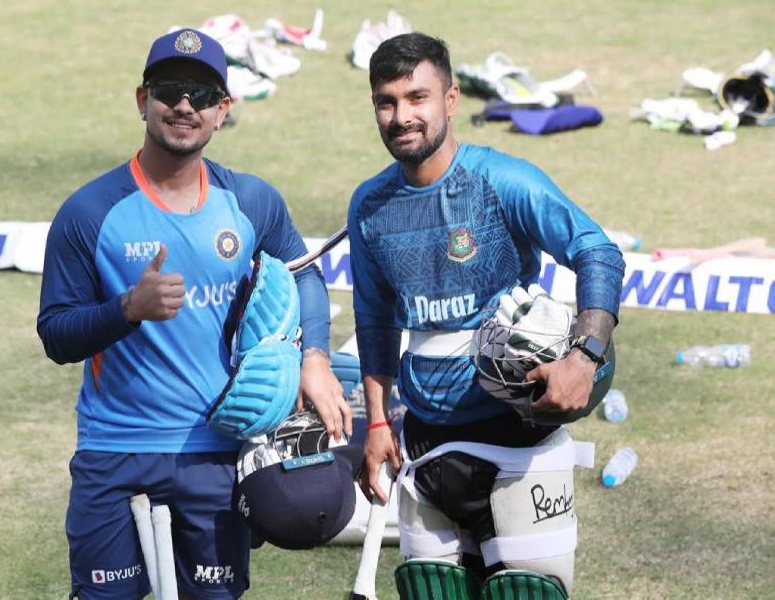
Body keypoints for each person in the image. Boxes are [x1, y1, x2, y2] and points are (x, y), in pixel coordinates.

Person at [37, 28, 351, 600]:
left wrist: (315, 358)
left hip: (216, 455)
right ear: (142, 100)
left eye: (203, 95)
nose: (185, 105)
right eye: (171, 90)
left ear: (223, 111)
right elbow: (56, 334)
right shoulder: (88, 212)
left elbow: (303, 271)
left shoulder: (251, 201)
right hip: (115, 451)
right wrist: (127, 309)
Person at [349, 33, 625, 598]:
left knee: (526, 594)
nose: (402, 116)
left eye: (417, 97)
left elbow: (597, 249)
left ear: (450, 100)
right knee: (430, 590)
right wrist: (377, 422)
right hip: (427, 447)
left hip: (516, 443)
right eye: (387, 101)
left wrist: (584, 356)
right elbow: (375, 322)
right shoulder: (370, 206)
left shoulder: (501, 181)